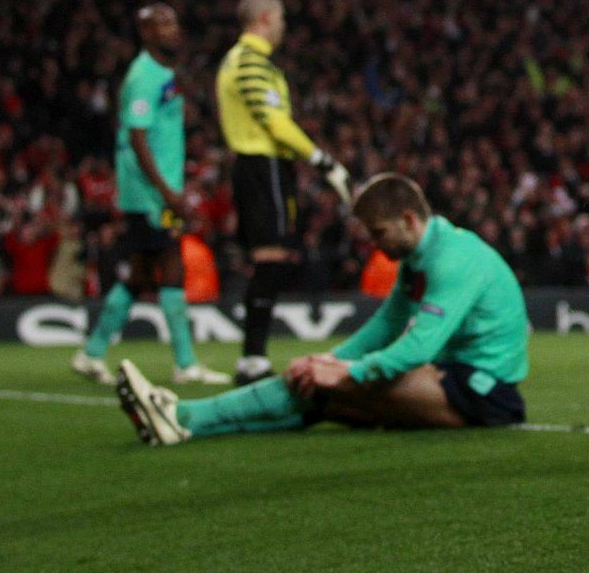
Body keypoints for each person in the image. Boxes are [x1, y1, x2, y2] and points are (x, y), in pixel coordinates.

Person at [114, 173, 529, 444]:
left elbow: (419, 345)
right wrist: (329, 359)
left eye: (379, 233)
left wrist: (347, 371)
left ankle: (184, 415)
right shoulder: (419, 258)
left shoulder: (453, 260)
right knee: (320, 394)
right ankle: (183, 423)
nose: (374, 245)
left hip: (485, 392)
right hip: (450, 378)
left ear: (407, 219)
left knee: (332, 384)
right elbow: (386, 324)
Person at [73, 4, 230, 386]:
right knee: (171, 264)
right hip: (148, 194)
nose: (172, 30)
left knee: (142, 273)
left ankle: (91, 353)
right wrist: (166, 192)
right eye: (161, 25)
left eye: (174, 22)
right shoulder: (143, 76)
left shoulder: (164, 72)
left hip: (156, 190)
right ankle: (185, 363)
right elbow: (136, 138)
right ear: (145, 33)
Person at [216, 0, 353, 384]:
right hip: (262, 164)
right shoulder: (250, 62)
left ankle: (253, 358)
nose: (283, 27)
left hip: (262, 166)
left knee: (270, 258)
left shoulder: (244, 62)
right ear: (263, 18)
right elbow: (274, 121)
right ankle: (252, 360)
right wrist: (322, 161)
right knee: (271, 258)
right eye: (280, 19)